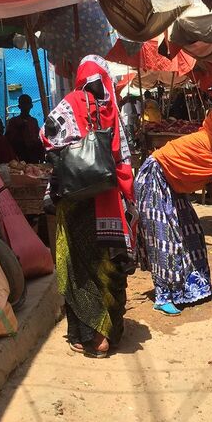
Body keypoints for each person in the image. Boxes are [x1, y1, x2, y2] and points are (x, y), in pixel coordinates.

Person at [41, 55, 135, 357]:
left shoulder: (70, 103)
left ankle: (94, 338)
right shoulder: (112, 111)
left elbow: (46, 134)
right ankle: (112, 331)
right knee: (106, 263)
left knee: (77, 266)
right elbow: (124, 157)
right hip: (107, 199)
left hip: (78, 199)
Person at [135, 110, 212, 316]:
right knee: (166, 239)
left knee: (192, 235)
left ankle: (198, 288)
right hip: (154, 180)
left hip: (173, 184)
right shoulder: (207, 146)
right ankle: (165, 296)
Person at [5, 95, 43, 163]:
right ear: (19, 106)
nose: (26, 106)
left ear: (31, 106)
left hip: (33, 153)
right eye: (24, 104)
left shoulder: (33, 121)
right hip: (19, 153)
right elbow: (9, 139)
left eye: (27, 103)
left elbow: (38, 136)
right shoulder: (14, 121)